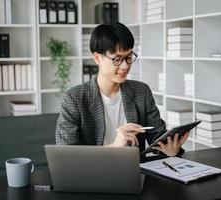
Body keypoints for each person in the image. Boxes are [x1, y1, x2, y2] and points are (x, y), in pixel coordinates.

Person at [55, 22, 189, 157]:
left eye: (129, 57)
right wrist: (114, 146)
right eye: (117, 59)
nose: (125, 66)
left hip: (135, 172)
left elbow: (157, 137)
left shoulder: (141, 91)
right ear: (97, 58)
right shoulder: (74, 98)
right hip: (92, 174)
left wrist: (171, 148)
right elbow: (67, 155)